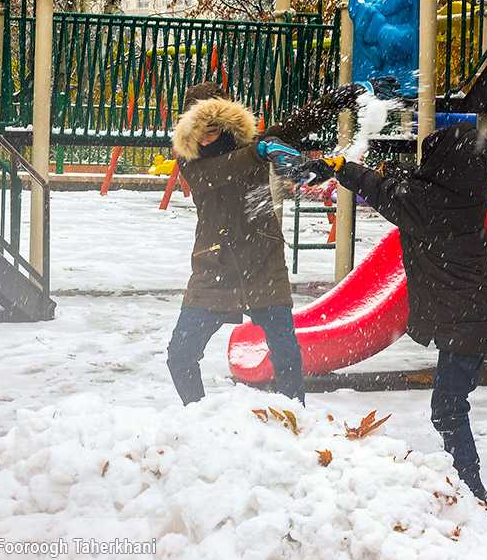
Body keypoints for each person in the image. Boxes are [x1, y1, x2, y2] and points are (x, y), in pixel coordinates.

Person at [165, 78, 400, 406]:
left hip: (263, 264)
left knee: (287, 357)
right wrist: (260, 151)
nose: (207, 134)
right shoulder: (190, 160)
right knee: (180, 355)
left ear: (227, 122)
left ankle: (295, 420)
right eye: (200, 127)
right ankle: (200, 420)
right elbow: (218, 172)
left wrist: (340, 98)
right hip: (213, 268)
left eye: (215, 126)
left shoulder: (257, 145)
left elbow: (298, 122)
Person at [312, 122, 487, 500]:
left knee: (447, 408)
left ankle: (471, 489)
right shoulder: (467, 192)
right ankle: (468, 484)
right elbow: (411, 184)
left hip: (464, 321)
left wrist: (340, 167)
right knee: (451, 405)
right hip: (476, 315)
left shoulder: (423, 202)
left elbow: (381, 191)